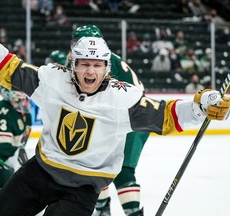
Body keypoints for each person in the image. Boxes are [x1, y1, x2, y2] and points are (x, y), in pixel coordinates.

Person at [0, 10, 230, 216]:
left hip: (83, 188)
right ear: (72, 64)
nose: (90, 71)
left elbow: (166, 115)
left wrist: (199, 106)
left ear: (107, 68)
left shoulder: (122, 99)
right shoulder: (53, 80)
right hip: (41, 171)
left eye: (97, 65)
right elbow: (8, 69)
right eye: (84, 64)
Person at [71, 24, 150, 216]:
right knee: (98, 165)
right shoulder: (96, 59)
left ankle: (132, 213)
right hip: (121, 118)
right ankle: (103, 209)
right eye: (74, 42)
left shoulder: (101, 60)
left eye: (78, 42)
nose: (74, 46)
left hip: (133, 119)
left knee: (123, 170)